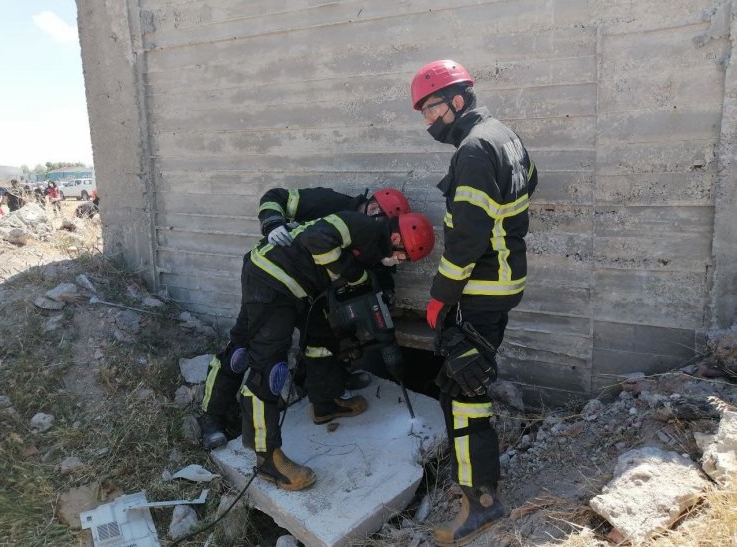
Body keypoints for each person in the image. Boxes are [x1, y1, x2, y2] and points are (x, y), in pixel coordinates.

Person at [410, 59, 538, 546]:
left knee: (465, 388)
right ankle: (473, 483)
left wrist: (440, 299)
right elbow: (528, 186)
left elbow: (465, 239)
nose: (427, 121)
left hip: (479, 290)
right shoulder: (505, 137)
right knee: (460, 381)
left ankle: (481, 503)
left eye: (430, 109)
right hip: (502, 280)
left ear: (457, 101)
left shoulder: (474, 149)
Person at [199, 187, 412, 450]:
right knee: (243, 351)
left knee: (323, 344)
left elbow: (369, 274)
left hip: (313, 289)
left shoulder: (374, 239)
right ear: (371, 205)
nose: (374, 221)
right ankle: (212, 417)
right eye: (374, 214)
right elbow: (275, 197)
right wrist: (272, 222)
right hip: (276, 276)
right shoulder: (330, 203)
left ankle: (325, 401)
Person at [237, 210, 434, 490]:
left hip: (303, 289)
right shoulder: (362, 227)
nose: (398, 261)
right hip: (270, 280)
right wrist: (355, 274)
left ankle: (325, 404)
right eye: (402, 256)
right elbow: (315, 239)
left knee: (323, 343)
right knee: (269, 370)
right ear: (394, 238)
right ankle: (267, 458)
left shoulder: (374, 249)